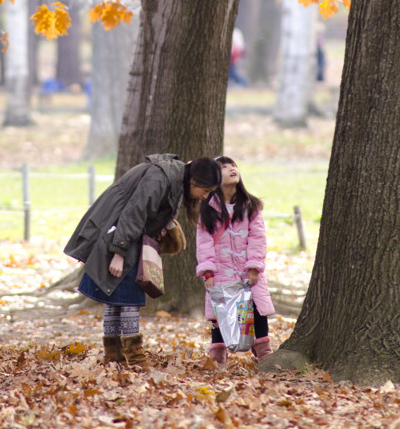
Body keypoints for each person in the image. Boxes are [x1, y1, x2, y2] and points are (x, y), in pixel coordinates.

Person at [64, 154, 221, 369]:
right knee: (128, 298)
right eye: (205, 191)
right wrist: (119, 252)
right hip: (120, 237)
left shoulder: (173, 177)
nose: (204, 196)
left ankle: (114, 357)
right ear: (194, 181)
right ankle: (134, 358)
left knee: (115, 297)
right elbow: (134, 213)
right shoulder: (160, 177)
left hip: (125, 236)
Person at [196, 155, 274, 367]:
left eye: (233, 165)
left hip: (247, 270)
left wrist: (254, 266)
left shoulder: (251, 205)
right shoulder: (207, 210)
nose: (231, 169)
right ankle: (218, 356)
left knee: (256, 309)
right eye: (224, 167)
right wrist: (208, 271)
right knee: (218, 313)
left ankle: (264, 353)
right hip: (220, 271)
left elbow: (258, 237)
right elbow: (204, 242)